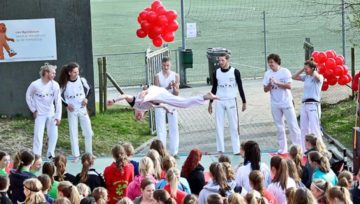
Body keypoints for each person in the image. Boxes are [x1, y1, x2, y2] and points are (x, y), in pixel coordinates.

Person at [208, 53, 246, 155]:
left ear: (227, 60)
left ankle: (236, 150)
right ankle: (220, 149)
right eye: (219, 61)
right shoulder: (216, 73)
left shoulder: (235, 72)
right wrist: (210, 102)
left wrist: (244, 101)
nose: (220, 62)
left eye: (222, 60)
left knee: (233, 125)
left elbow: (240, 87)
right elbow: (214, 88)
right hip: (219, 101)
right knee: (218, 125)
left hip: (231, 100)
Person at [108, 85, 218, 121]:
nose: (138, 116)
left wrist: (113, 100)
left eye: (137, 116)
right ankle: (205, 97)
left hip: (153, 91)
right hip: (160, 95)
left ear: (134, 111)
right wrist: (168, 110)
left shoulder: (134, 104)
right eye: (139, 118)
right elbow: (162, 106)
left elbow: (125, 96)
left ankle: (206, 96)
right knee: (183, 103)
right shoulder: (149, 107)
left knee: (144, 97)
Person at [263, 54, 301, 154]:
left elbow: (289, 86)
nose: (270, 64)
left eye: (272, 62)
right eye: (269, 62)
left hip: (286, 102)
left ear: (277, 62)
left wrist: (277, 82)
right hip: (275, 103)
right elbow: (265, 90)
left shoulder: (285, 71)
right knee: (279, 126)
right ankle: (282, 148)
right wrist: (270, 84)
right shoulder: (267, 74)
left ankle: (297, 147)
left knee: (292, 125)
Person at [26, 63, 62, 159]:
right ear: (46, 73)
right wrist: (33, 110)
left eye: (55, 73)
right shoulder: (35, 84)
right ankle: (36, 156)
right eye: (53, 73)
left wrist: (58, 116)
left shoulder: (55, 85)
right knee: (38, 135)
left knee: (54, 134)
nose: (54, 75)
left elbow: (58, 101)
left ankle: (50, 154)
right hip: (40, 115)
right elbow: (28, 96)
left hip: (51, 113)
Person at [59, 62, 93, 161]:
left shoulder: (82, 80)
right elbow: (58, 96)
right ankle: (76, 155)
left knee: (88, 131)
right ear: (69, 73)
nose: (77, 73)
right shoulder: (64, 83)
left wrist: (86, 99)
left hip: (82, 108)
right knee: (73, 132)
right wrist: (66, 105)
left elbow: (89, 89)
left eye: (77, 71)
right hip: (72, 110)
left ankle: (89, 154)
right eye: (74, 72)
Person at [292, 59, 324, 151]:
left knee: (315, 128)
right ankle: (305, 149)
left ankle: (319, 149)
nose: (305, 70)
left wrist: (313, 69)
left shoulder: (318, 77)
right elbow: (293, 77)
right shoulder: (306, 77)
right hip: (304, 105)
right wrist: (303, 69)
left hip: (313, 104)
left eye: (307, 69)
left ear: (312, 69)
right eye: (304, 68)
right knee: (304, 128)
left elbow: (317, 77)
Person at [154, 57, 180, 157]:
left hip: (171, 102)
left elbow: (177, 93)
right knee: (161, 128)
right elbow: (156, 92)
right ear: (161, 64)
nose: (166, 67)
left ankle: (174, 152)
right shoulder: (157, 76)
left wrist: (174, 88)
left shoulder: (175, 75)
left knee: (174, 127)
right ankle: (162, 152)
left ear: (170, 65)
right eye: (164, 65)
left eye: (167, 65)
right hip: (160, 103)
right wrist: (167, 88)